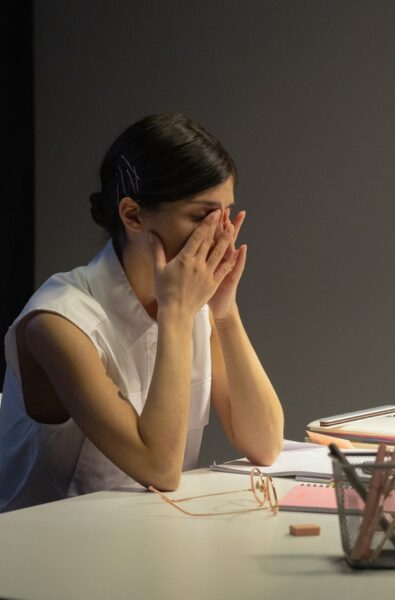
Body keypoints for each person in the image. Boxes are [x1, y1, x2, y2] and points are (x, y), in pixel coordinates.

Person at [0, 113, 284, 512]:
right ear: (132, 215)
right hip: (45, 543)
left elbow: (265, 443)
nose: (220, 234)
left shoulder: (194, 307)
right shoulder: (57, 321)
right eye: (201, 217)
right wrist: (176, 313)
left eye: (226, 215)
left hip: (145, 533)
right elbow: (160, 469)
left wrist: (225, 312)